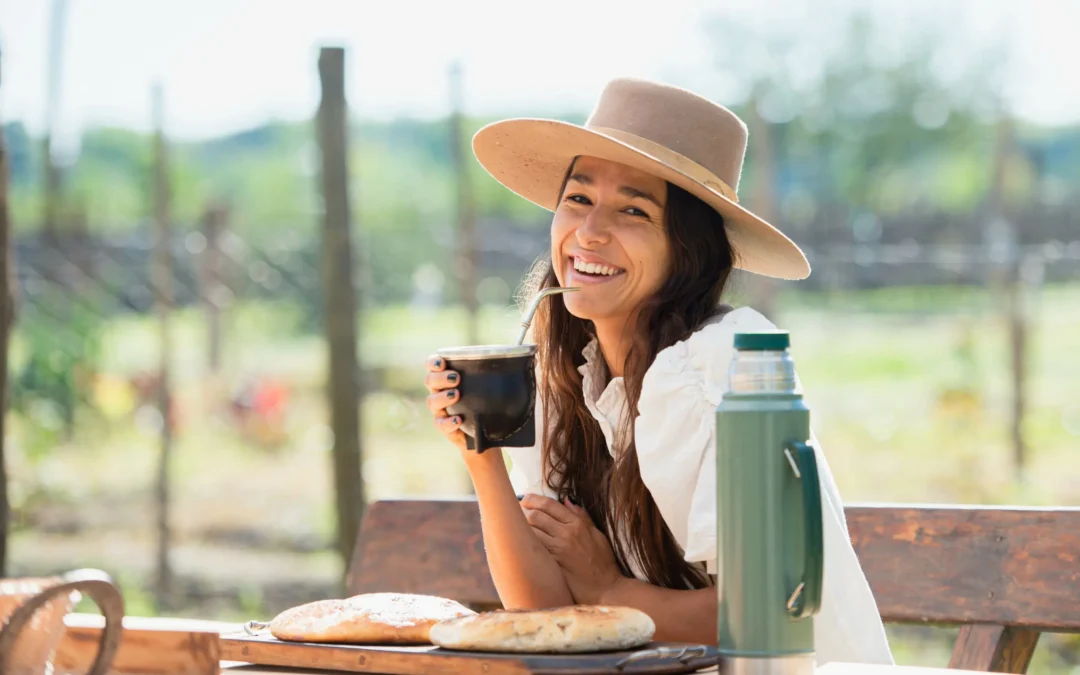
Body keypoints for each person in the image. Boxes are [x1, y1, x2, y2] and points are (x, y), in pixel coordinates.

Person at [424, 78, 893, 666]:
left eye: (633, 210)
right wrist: (481, 455)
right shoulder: (566, 379)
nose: (589, 233)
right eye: (578, 199)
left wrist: (609, 592)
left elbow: (773, 614)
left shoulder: (727, 366)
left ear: (687, 250)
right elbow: (544, 617)